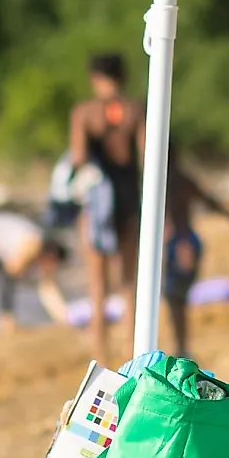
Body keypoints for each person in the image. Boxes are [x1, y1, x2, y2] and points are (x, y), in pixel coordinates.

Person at [69, 53, 143, 365]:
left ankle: (100, 359)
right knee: (129, 284)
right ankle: (132, 355)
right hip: (128, 199)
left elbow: (78, 158)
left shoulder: (85, 113)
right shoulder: (135, 110)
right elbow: (146, 157)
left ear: (94, 78)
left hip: (97, 203)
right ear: (122, 77)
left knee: (97, 285)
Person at [160, 155, 229, 358]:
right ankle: (182, 347)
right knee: (177, 300)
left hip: (180, 244)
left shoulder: (168, 181)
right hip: (186, 241)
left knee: (176, 299)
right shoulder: (182, 179)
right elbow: (210, 202)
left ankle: (182, 348)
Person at [0, 209, 71, 339]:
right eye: (53, 264)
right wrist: (7, 315)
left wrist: (64, 318)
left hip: (2, 243)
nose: (52, 269)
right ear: (51, 256)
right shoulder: (31, 245)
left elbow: (48, 288)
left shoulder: (41, 252)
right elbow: (8, 276)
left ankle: (63, 319)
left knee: (2, 277)